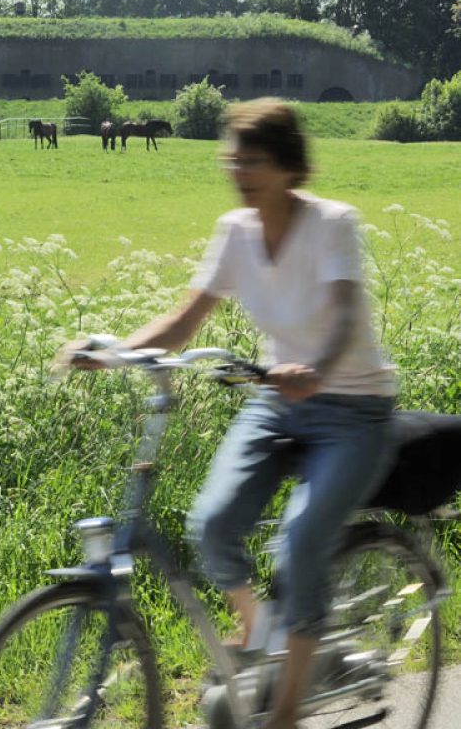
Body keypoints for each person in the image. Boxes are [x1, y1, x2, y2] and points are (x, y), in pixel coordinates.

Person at [64, 99, 396, 729]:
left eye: (254, 160)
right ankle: (268, 639)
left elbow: (347, 313)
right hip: (276, 400)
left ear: (289, 167)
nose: (239, 170)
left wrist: (318, 369)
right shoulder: (236, 231)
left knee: (299, 545)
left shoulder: (332, 224)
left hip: (353, 406)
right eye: (234, 157)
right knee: (211, 525)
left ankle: (288, 711)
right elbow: (186, 321)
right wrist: (111, 353)